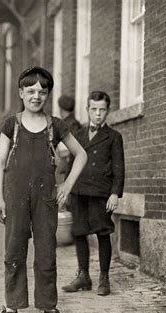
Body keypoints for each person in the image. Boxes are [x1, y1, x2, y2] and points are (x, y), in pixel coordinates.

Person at [0, 66, 87, 313]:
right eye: (31, 91)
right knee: (14, 251)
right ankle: (11, 307)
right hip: (15, 196)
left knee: (46, 252)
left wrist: (66, 185)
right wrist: (0, 198)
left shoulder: (56, 125)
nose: (36, 96)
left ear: (48, 95)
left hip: (45, 198)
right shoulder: (11, 123)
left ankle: (49, 307)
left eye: (42, 92)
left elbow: (81, 155)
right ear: (21, 92)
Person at [61, 91, 125, 296]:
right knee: (79, 232)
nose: (98, 114)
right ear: (87, 110)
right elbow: (71, 164)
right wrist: (66, 189)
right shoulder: (77, 135)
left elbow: (119, 167)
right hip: (79, 191)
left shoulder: (114, 137)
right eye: (94, 109)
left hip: (100, 193)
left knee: (102, 233)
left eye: (102, 110)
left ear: (108, 111)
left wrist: (115, 193)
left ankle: (104, 278)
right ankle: (83, 276)